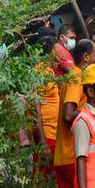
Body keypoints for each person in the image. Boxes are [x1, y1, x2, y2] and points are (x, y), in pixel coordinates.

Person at [53, 39, 95, 188]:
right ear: (86, 57)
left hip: (62, 156)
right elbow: (68, 114)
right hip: (70, 155)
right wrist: (92, 116)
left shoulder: (73, 74)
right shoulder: (77, 77)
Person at [33, 35, 60, 180]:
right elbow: (35, 109)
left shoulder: (49, 71)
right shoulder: (38, 73)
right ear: (52, 51)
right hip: (47, 135)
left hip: (54, 133)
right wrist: (43, 142)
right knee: (45, 179)